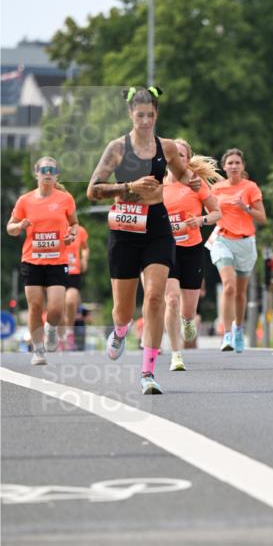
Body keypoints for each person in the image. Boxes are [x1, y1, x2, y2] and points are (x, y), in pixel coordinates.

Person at [86, 86, 190, 394]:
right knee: (124, 309)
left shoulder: (167, 147)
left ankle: (148, 372)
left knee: (156, 297)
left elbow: (181, 174)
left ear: (156, 115)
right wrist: (128, 185)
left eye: (150, 115)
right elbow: (93, 190)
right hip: (125, 228)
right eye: (139, 115)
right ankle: (120, 330)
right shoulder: (117, 148)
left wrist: (192, 179)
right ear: (131, 114)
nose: (145, 121)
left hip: (157, 226)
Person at [6, 157, 79, 365]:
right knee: (35, 306)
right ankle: (38, 350)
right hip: (32, 260)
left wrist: (72, 235)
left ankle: (52, 328)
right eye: (44, 169)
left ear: (57, 175)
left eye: (52, 170)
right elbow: (9, 227)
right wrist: (19, 226)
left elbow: (74, 224)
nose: (48, 173)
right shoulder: (24, 200)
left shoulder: (65, 199)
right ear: (36, 173)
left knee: (56, 309)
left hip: (57, 260)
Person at [163, 139, 221, 371]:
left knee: (188, 310)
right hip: (166, 249)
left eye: (182, 156)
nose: (178, 159)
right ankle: (176, 354)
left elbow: (217, 213)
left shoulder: (196, 184)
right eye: (173, 155)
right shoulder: (157, 185)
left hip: (192, 249)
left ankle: (188, 322)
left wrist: (200, 221)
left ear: (188, 160)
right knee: (172, 299)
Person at [208, 148, 267, 352]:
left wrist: (246, 208)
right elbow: (211, 213)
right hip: (223, 239)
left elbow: (262, 217)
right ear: (224, 167)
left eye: (237, 163)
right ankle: (227, 335)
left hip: (245, 242)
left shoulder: (250, 188)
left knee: (241, 293)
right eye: (230, 163)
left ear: (243, 167)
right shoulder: (217, 189)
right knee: (229, 286)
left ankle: (239, 329)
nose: (233, 166)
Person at [63, 223, 89, 350]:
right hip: (56, 270)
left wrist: (84, 258)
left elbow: (85, 247)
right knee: (56, 307)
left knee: (71, 301)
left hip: (73, 272)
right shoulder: (54, 226)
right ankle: (56, 334)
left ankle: (69, 332)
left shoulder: (80, 230)